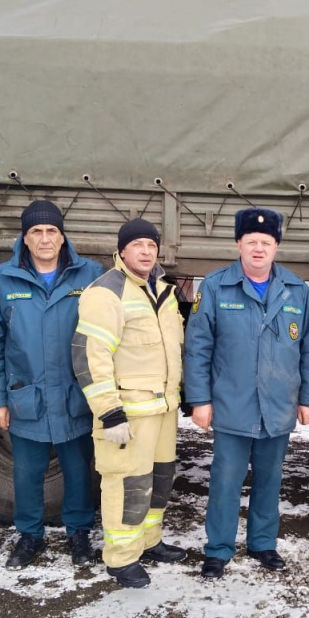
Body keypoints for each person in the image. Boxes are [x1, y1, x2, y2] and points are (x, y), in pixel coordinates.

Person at [184, 207, 309, 579]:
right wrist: (199, 400)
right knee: (225, 482)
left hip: (277, 406)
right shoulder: (215, 287)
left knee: (269, 479)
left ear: (276, 246)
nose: (258, 249)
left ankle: (263, 544)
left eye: (266, 242)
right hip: (232, 405)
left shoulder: (295, 290)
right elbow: (198, 348)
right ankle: (218, 549)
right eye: (251, 242)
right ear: (238, 245)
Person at [0, 200, 103, 570]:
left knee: (78, 470)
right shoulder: (2, 279)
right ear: (25, 238)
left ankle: (79, 533)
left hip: (74, 396)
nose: (44, 239)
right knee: (27, 472)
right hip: (26, 397)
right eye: (36, 232)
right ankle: (29, 535)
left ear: (62, 238)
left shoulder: (89, 274)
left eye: (51, 231)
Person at [72, 218, 186, 589]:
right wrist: (109, 412)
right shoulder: (107, 292)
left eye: (151, 245)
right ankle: (121, 559)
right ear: (121, 251)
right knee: (127, 485)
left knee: (159, 481)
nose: (146, 251)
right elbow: (90, 356)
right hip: (128, 413)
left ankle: (149, 542)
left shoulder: (163, 292)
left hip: (162, 409)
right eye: (137, 245)